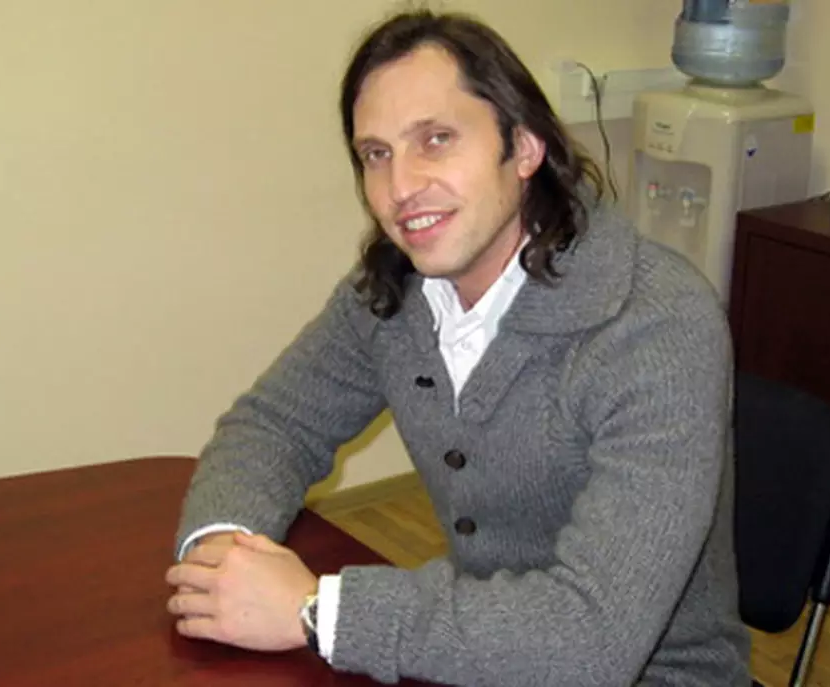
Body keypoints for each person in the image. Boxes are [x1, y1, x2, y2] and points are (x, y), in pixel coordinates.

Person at [164, 9, 751, 686]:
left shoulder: (657, 322)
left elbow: (593, 639)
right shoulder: (394, 293)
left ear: (524, 147)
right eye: (376, 154)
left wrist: (318, 609)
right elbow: (275, 424)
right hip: (477, 653)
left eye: (436, 139)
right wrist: (223, 553)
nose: (400, 187)